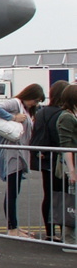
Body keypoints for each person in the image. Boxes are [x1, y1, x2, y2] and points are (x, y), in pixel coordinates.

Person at [0, 85, 43, 236]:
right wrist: (12, 117)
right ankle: (12, 228)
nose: (36, 104)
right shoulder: (15, 103)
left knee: (14, 190)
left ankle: (14, 226)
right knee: (12, 191)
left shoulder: (25, 108)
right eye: (36, 100)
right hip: (12, 153)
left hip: (20, 152)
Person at [30, 80, 69, 239]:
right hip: (60, 160)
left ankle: (50, 231)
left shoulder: (42, 112)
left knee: (49, 195)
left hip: (46, 159)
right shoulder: (63, 114)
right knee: (64, 195)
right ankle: (63, 230)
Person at [57, 84, 77, 247]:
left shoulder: (72, 115)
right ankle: (70, 240)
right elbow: (66, 146)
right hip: (74, 164)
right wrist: (72, 171)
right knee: (72, 202)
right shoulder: (67, 117)